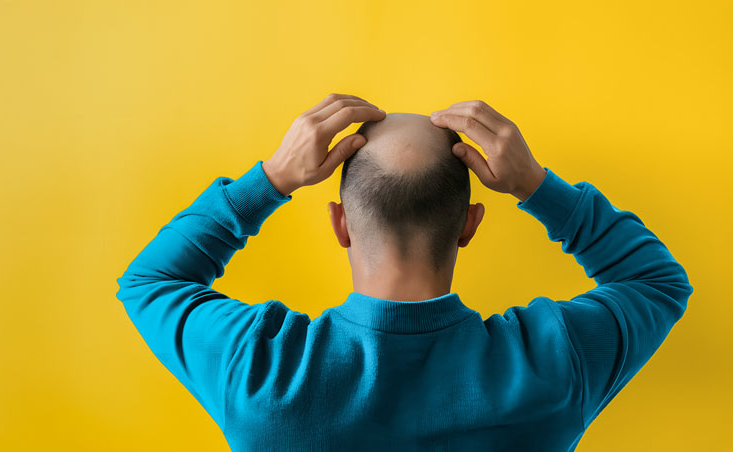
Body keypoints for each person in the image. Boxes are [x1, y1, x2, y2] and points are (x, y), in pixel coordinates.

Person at [116, 94, 693, 451]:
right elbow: (658, 282)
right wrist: (536, 185)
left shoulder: (259, 371)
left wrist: (271, 178)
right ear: (469, 225)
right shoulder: (552, 363)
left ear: (341, 224)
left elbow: (149, 282)